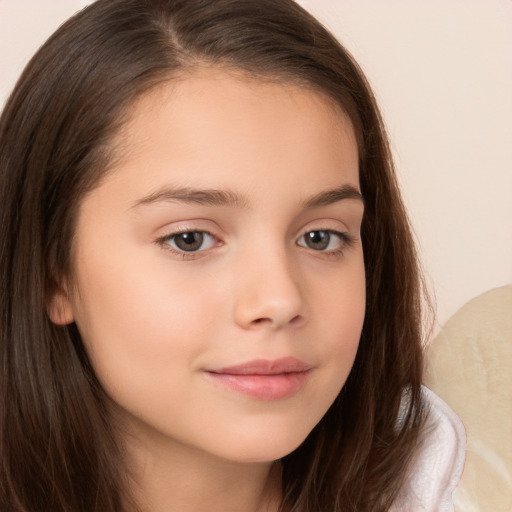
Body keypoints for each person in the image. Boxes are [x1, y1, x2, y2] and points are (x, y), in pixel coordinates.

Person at [0, 1, 465, 511]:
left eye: (320, 237)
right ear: (54, 274)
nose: (280, 300)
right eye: (190, 239)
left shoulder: (432, 481)